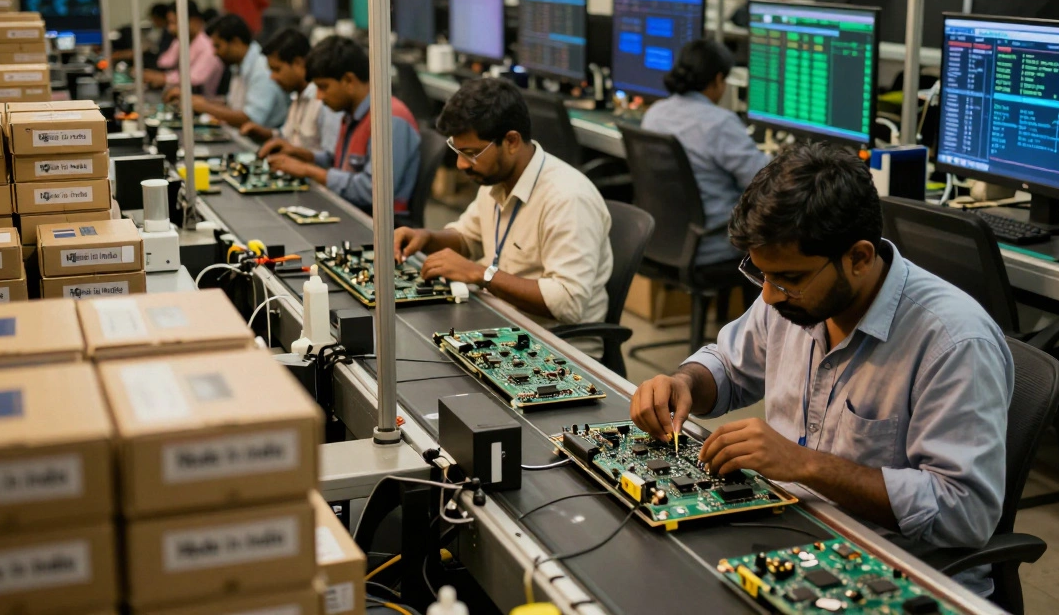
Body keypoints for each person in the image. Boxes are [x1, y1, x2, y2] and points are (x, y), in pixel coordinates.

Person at [630, 144, 1013, 595]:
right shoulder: (794, 296)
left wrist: (805, 465)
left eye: (788, 280)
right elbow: (730, 368)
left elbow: (962, 513)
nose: (769, 298)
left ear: (859, 258)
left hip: (891, 577)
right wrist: (683, 382)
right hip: (787, 534)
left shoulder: (953, 342)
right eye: (762, 277)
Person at [392, 78, 612, 329]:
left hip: (555, 346)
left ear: (511, 141)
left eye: (472, 154)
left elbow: (568, 303)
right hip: (500, 320)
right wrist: (427, 238)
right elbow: (468, 237)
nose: (461, 165)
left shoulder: (568, 198)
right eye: (458, 151)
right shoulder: (496, 179)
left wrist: (481, 274)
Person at [256, 36, 420, 214]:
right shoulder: (352, 113)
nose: (319, 97)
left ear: (349, 81)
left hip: (381, 227)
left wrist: (308, 171)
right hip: (350, 210)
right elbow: (339, 163)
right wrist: (300, 154)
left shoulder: (389, 120)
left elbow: (372, 191)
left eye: (323, 87)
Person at [641, 39, 770, 265]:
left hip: (664, 240)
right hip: (712, 244)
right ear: (719, 79)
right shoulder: (720, 124)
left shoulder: (655, 114)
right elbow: (764, 182)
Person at [168, 13, 288, 132]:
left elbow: (250, 119)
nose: (215, 53)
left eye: (218, 46)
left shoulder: (262, 69)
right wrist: (200, 101)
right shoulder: (240, 66)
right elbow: (233, 105)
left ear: (236, 42)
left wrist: (205, 107)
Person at [243, 28, 339, 152]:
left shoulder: (323, 101)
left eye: (276, 70)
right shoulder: (296, 95)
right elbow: (288, 138)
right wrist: (265, 133)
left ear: (298, 63)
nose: (272, 77)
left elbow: (330, 158)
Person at [144, 0, 223, 97]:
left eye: (174, 23)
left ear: (194, 21)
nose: (170, 29)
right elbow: (164, 62)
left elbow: (195, 79)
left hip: (201, 103)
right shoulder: (181, 41)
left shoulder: (208, 47)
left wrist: (164, 78)